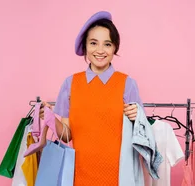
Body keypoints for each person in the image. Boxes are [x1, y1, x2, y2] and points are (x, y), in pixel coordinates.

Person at [39, 11, 142, 186]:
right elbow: (67, 134)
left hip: (118, 176)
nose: (100, 50)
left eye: (107, 44)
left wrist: (137, 117)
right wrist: (50, 118)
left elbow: (141, 135)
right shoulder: (70, 83)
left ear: (115, 48)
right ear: (85, 46)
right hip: (79, 174)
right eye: (93, 43)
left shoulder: (127, 84)